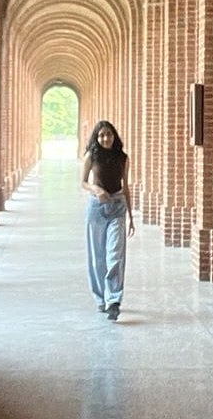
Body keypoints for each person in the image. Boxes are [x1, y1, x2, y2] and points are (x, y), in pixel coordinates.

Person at [81, 120, 135, 321]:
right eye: (102, 135)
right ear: (96, 138)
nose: (106, 138)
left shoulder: (123, 158)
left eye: (109, 134)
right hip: (96, 208)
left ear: (114, 136)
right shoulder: (91, 156)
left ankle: (113, 300)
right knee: (97, 257)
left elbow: (126, 187)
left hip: (117, 207)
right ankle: (100, 299)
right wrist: (95, 189)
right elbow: (83, 182)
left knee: (115, 254)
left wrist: (131, 217)